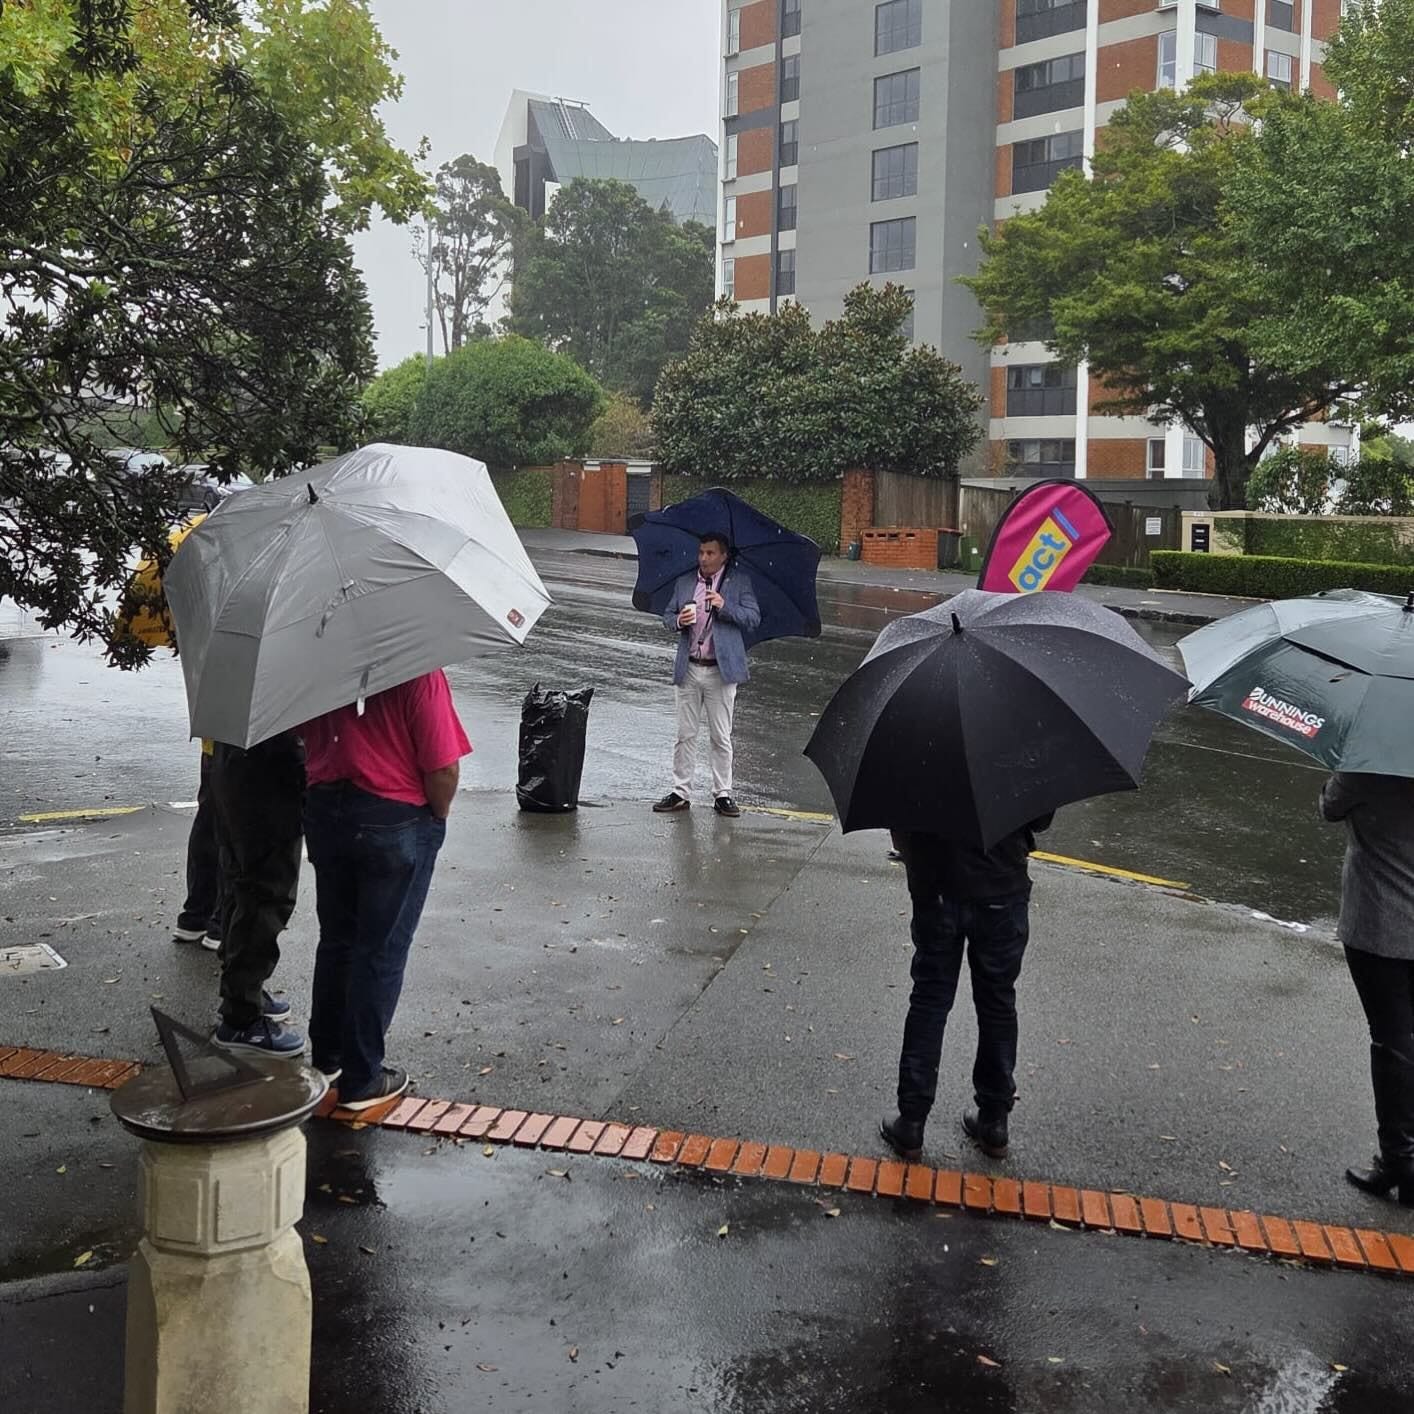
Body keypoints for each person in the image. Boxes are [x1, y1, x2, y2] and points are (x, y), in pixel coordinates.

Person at [300, 670, 470, 1111]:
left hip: (325, 808)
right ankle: (363, 1076)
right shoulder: (417, 668)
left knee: (337, 940)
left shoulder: (319, 660)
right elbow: (443, 766)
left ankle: (329, 1058)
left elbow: (302, 735)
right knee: (381, 948)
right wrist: (437, 817)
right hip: (394, 816)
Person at [880, 815, 1053, 1163]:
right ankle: (994, 1119)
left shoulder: (919, 757)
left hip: (936, 882)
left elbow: (900, 816)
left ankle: (912, 1121)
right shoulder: (1021, 757)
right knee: (998, 1002)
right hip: (1002, 884)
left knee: (930, 998)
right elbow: (1040, 819)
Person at [1321, 772, 1414, 1207]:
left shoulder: (1367, 766)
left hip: (1381, 929)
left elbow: (1329, 806)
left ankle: (1400, 1160)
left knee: (1392, 1041)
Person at [209, 731, 307, 1057]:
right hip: (268, 791)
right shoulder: (279, 690)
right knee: (266, 895)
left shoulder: (242, 690)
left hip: (233, 772)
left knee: (240, 886)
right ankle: (242, 1017)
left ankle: (244, 991)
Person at [653, 531, 761, 819]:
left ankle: (723, 794)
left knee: (720, 736)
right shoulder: (686, 582)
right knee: (685, 734)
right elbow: (667, 617)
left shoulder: (739, 583)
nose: (704, 558)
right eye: (701, 552)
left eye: (710, 553)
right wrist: (678, 620)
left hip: (720, 671)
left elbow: (753, 618)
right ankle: (680, 792)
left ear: (724, 555)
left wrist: (725, 606)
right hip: (688, 667)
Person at [171, 739, 225, 950]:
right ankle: (221, 923)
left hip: (214, 742)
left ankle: (196, 915)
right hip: (242, 751)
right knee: (230, 829)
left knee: (208, 820)